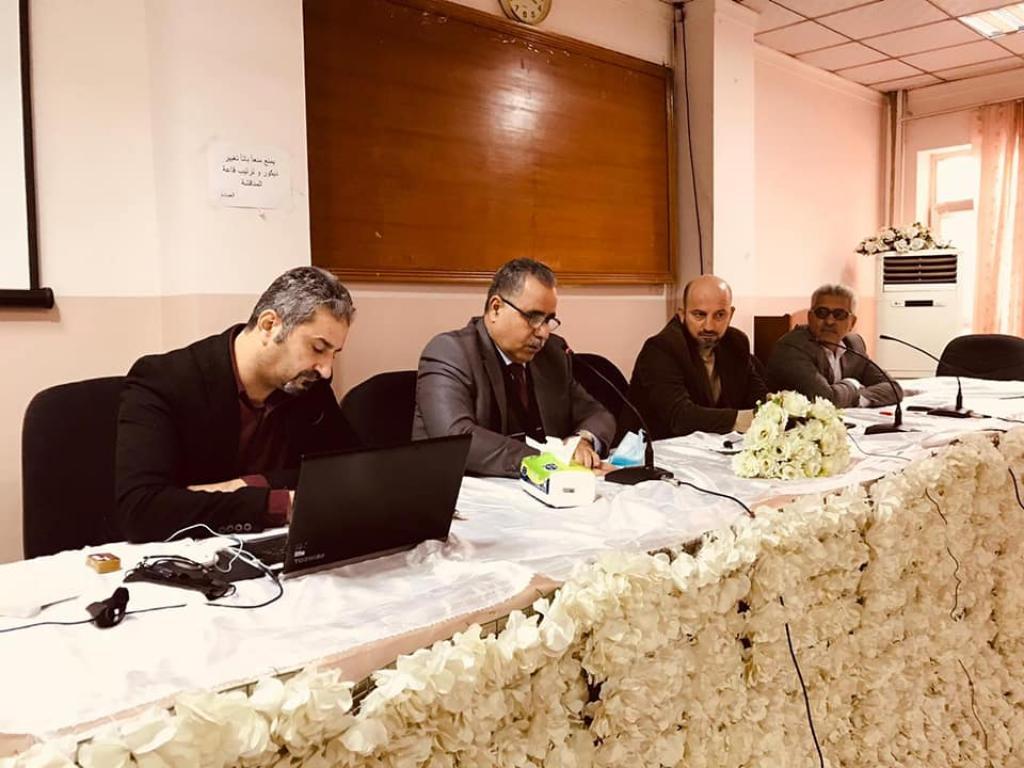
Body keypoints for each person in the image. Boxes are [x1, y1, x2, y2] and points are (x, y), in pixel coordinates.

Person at [115, 267, 360, 543]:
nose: (326, 369)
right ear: (269, 325)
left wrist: (248, 485)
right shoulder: (165, 380)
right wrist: (278, 504)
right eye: (318, 348)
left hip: (281, 550)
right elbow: (141, 509)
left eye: (333, 354)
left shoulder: (309, 385)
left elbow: (351, 471)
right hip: (188, 555)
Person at [413, 258, 615, 477]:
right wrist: (547, 462)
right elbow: (457, 438)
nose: (543, 333)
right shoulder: (451, 352)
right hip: (464, 490)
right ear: (496, 308)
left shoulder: (552, 354)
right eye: (533, 317)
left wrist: (582, 441)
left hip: (541, 489)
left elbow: (597, 414)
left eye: (548, 320)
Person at [626, 275, 766, 438]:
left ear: (731, 314)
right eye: (699, 315)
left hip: (715, 445)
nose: (709, 326)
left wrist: (778, 409)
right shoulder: (661, 348)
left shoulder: (736, 342)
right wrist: (740, 419)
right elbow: (680, 417)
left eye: (720, 315)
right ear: (682, 314)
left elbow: (758, 397)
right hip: (655, 446)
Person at [766, 283, 901, 407]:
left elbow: (893, 388)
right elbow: (825, 400)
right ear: (810, 317)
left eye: (839, 314)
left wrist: (859, 398)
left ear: (852, 322)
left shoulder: (854, 345)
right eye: (822, 313)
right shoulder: (792, 347)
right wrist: (852, 384)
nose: (829, 321)